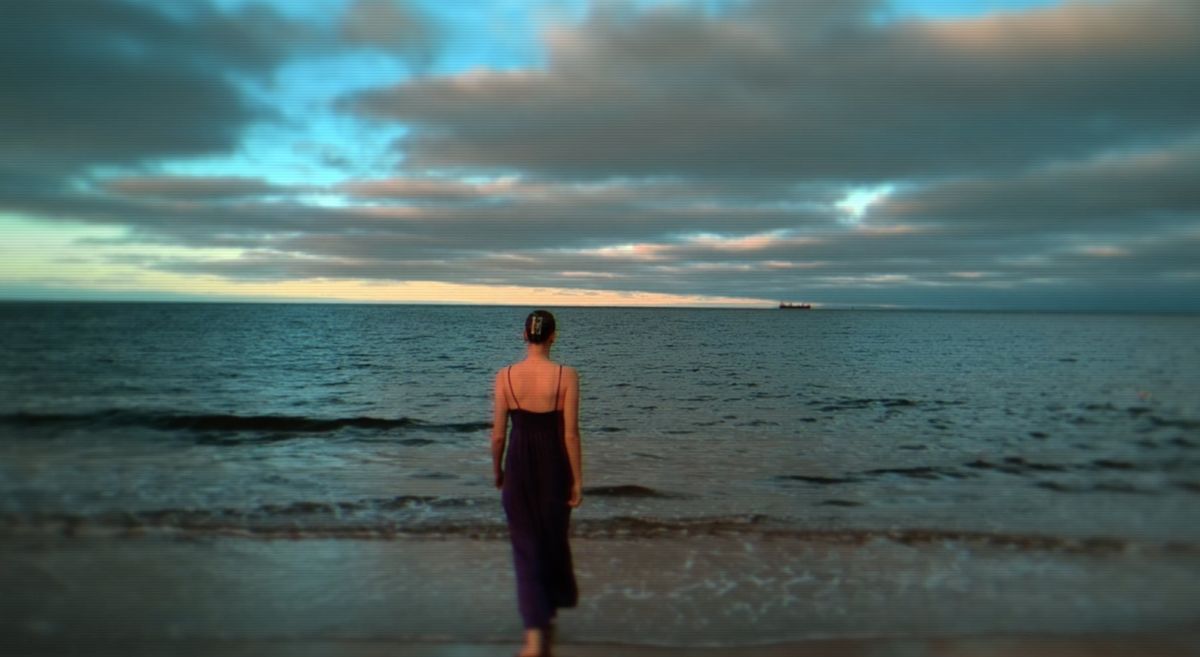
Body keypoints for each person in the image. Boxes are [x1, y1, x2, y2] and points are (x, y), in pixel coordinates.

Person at [491, 309, 583, 657]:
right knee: (552, 541)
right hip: (555, 466)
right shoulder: (566, 375)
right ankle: (546, 621)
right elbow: (571, 435)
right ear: (553, 337)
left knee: (525, 547)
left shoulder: (505, 376)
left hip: (519, 465)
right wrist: (578, 480)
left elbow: (498, 435)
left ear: (523, 335)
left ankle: (535, 636)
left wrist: (498, 470)